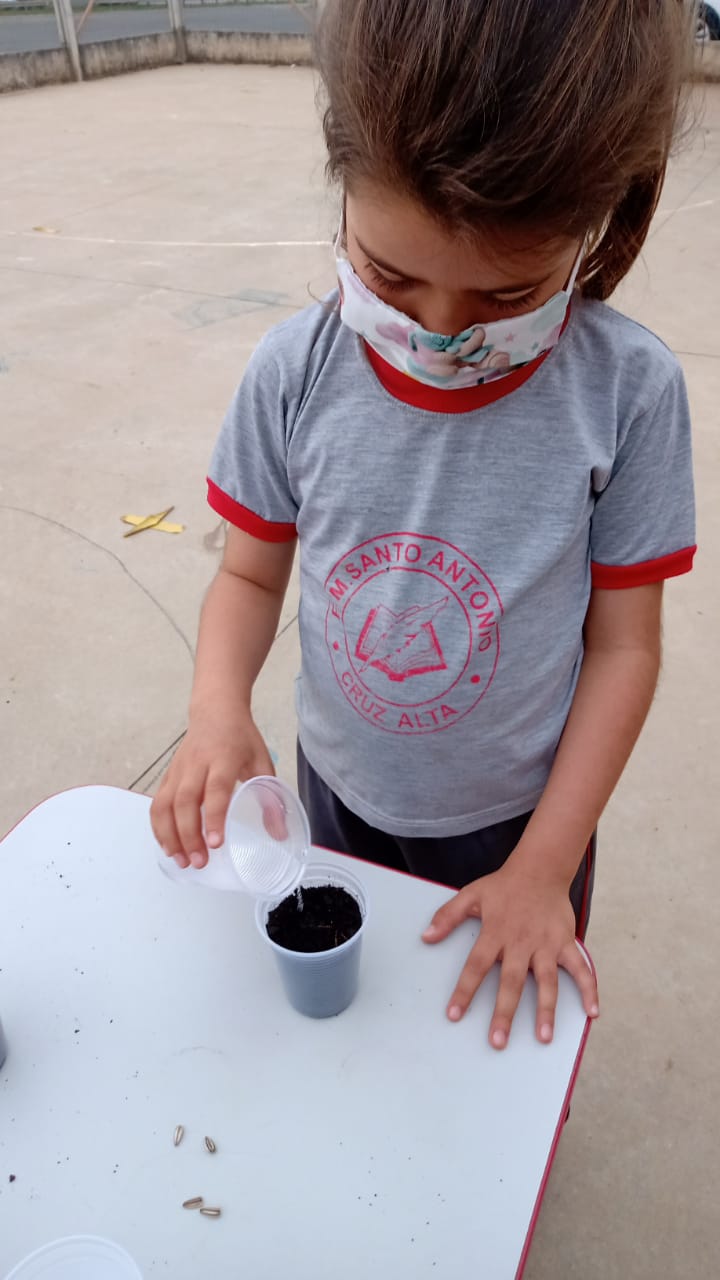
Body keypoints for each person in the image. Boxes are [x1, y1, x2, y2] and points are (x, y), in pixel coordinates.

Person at [151, 0, 696, 1050]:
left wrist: (544, 867)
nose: (440, 333)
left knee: (481, 1045)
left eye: (507, 295)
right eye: (390, 277)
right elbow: (251, 577)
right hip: (334, 791)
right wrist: (216, 707)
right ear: (340, 180)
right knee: (359, 1033)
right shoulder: (294, 372)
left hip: (519, 823)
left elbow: (625, 647)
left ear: (599, 221)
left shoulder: (627, 395)